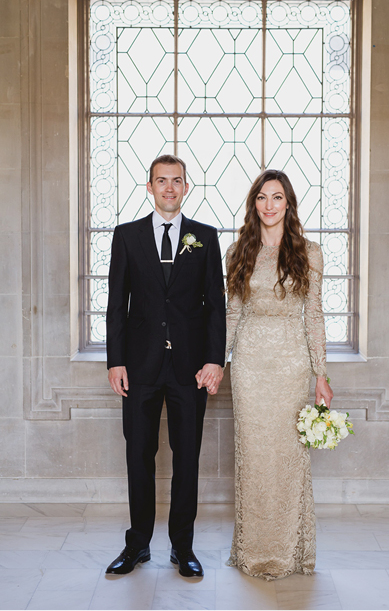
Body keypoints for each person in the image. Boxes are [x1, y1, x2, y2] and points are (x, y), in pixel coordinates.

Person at [105, 154, 226, 578]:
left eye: (177, 181)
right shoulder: (127, 236)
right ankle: (137, 545)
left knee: (186, 459)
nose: (169, 188)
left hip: (190, 369)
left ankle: (183, 547)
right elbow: (116, 307)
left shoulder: (205, 238)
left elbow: (216, 306)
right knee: (138, 456)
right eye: (161, 181)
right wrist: (115, 361)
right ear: (150, 187)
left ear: (187, 187)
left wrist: (215, 359)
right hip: (139, 367)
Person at [224, 168, 332, 580]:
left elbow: (315, 316)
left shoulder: (309, 252)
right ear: (254, 204)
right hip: (250, 364)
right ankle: (253, 551)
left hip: (291, 365)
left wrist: (321, 374)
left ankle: (291, 551)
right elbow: (232, 314)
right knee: (253, 455)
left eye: (277, 198)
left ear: (288, 204)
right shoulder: (238, 253)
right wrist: (219, 362)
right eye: (262, 198)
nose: (269, 206)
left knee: (288, 455)